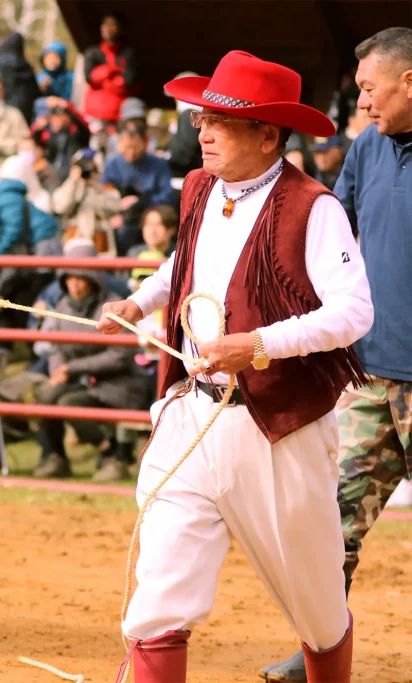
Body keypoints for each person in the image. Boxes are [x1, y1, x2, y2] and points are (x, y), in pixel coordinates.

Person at [98, 50, 373, 682]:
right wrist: (138, 301)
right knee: (162, 586)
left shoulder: (313, 206)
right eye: (202, 119)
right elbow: (185, 263)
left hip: (279, 428)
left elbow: (355, 312)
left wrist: (258, 345)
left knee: (317, 603)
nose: (202, 131)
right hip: (194, 412)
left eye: (220, 121)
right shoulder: (198, 188)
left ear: (268, 135)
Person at [258, 27, 412, 683]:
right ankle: (320, 652)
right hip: (372, 375)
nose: (364, 104)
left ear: (409, 81)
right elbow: (329, 244)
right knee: (330, 527)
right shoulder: (365, 150)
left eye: (371, 90)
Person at [34, 240, 149, 479]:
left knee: (69, 403)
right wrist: (58, 371)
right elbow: (57, 347)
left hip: (120, 384)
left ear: (93, 278)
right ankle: (54, 456)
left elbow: (119, 356)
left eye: (81, 278)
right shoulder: (63, 306)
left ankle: (112, 454)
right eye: (70, 278)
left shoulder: (114, 305)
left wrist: (71, 368)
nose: (74, 284)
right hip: (86, 380)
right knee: (45, 395)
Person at [101, 119, 176, 255]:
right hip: (122, 216)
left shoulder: (158, 165)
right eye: (126, 147)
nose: (130, 152)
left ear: (144, 143)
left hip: (150, 212)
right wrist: (117, 206)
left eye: (135, 147)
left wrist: (142, 203)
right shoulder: (111, 165)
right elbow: (102, 196)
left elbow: (167, 196)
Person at [81, 12, 139, 125]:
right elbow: (89, 77)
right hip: (94, 113)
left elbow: (128, 81)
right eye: (105, 24)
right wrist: (110, 72)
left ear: (120, 28)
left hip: (119, 113)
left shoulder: (129, 54)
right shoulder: (92, 52)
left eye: (113, 24)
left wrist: (103, 78)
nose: (108, 28)